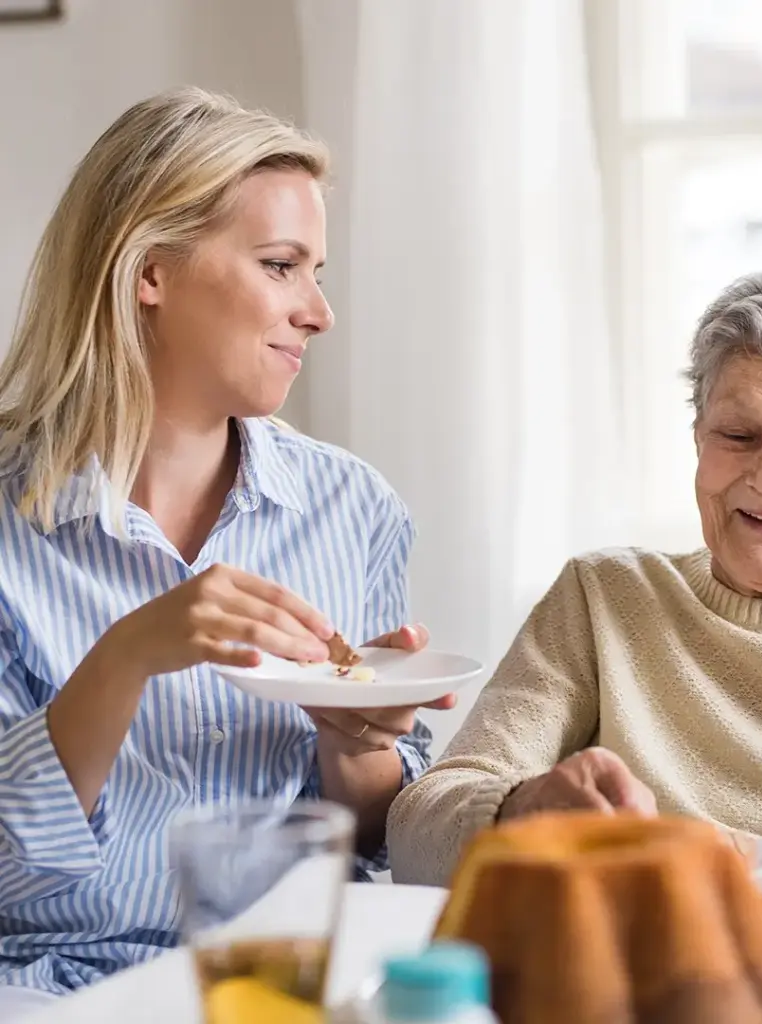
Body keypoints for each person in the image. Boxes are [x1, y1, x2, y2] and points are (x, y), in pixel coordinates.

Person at [0, 87, 451, 1004]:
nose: (319, 311)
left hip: (289, 977)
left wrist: (354, 740)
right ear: (149, 271)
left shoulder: (351, 507)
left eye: (317, 271)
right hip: (44, 989)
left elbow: (374, 841)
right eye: (282, 266)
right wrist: (126, 656)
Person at [388, 261, 762, 901]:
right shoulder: (605, 598)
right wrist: (521, 809)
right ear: (698, 439)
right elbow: (412, 836)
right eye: (736, 435)